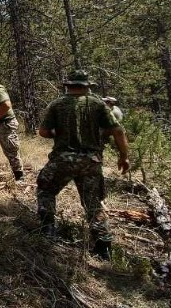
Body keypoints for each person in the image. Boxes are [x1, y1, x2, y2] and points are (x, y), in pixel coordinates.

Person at [36, 70, 130, 260]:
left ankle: (48, 230)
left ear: (67, 85)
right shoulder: (98, 104)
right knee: (93, 203)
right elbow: (118, 131)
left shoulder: (57, 104)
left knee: (46, 189)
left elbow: (44, 132)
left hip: (63, 159)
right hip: (91, 161)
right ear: (87, 86)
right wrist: (124, 157)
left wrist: (59, 134)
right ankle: (103, 247)